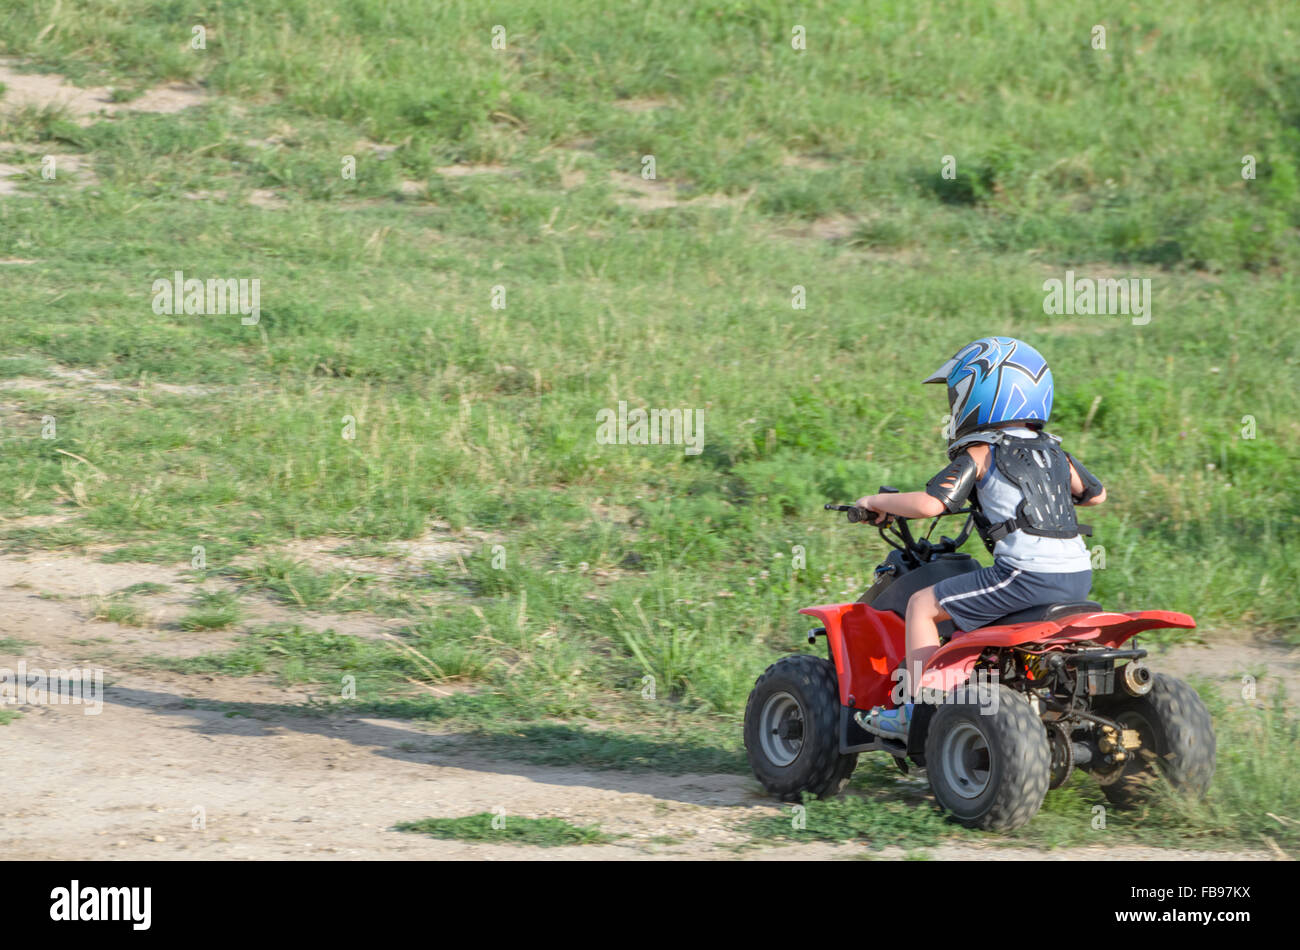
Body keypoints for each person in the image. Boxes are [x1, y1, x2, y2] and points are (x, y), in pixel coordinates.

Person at [851, 337, 1107, 740]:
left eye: (956, 395)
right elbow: (1095, 495)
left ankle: (912, 710)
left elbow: (932, 504)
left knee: (922, 605)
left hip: (1025, 576)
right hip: (1078, 575)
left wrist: (876, 500)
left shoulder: (981, 452)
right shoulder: (1056, 452)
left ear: (980, 395)